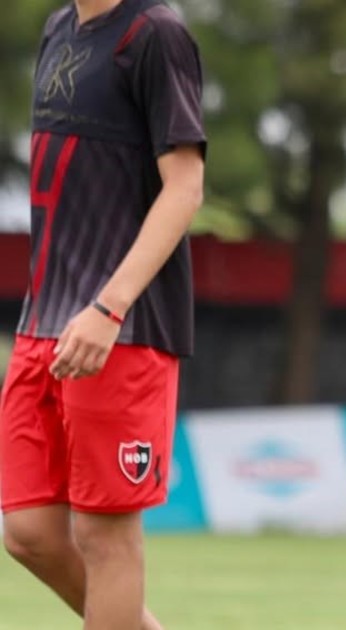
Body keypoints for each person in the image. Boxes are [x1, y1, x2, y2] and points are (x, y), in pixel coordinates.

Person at [1, 0, 205, 628]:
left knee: (105, 537)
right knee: (29, 531)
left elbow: (185, 187)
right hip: (44, 320)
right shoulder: (59, 28)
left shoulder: (155, 34)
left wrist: (108, 308)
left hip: (120, 327)